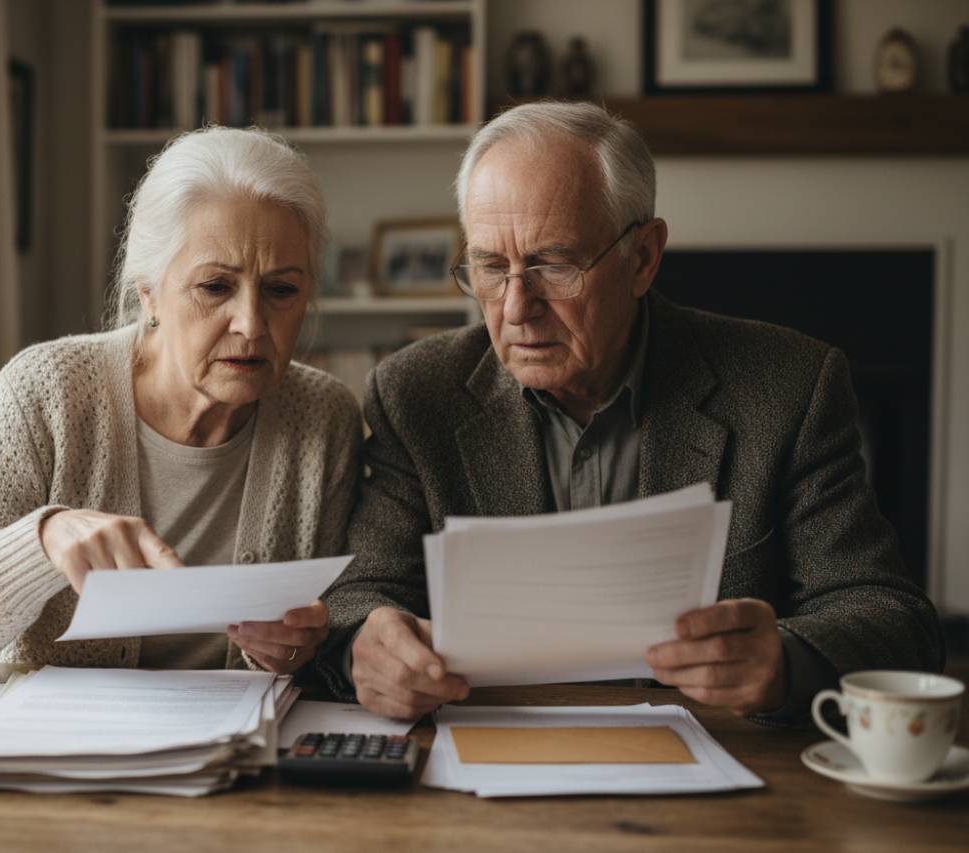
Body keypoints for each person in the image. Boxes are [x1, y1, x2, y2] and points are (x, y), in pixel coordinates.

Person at [316, 101, 943, 721]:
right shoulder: (415, 393)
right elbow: (361, 596)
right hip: (489, 750)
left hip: (720, 765)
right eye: (489, 266)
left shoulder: (788, 387)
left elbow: (893, 619)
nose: (515, 308)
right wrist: (366, 649)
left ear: (642, 258)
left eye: (552, 265)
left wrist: (784, 661)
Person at [0, 127, 360, 682]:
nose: (250, 322)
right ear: (148, 294)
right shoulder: (45, 392)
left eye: (281, 290)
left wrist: (298, 648)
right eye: (215, 286)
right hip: (62, 752)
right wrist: (42, 541)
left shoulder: (325, 418)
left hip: (242, 755)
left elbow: (333, 640)